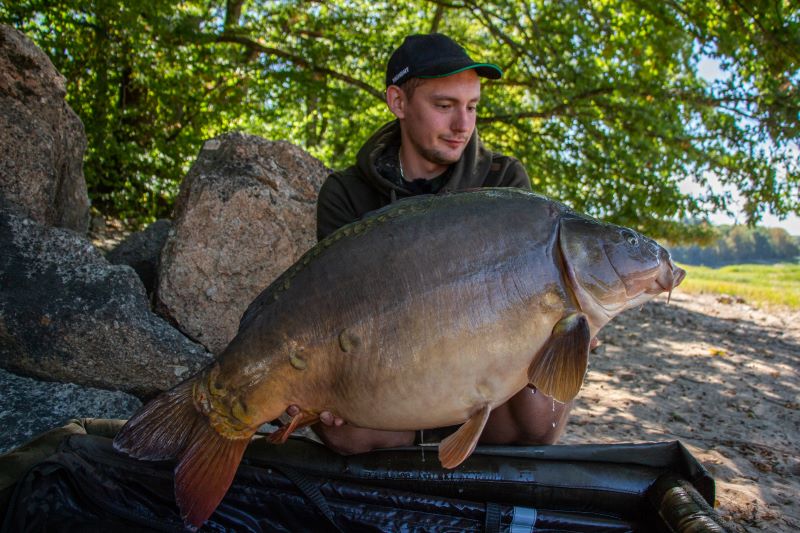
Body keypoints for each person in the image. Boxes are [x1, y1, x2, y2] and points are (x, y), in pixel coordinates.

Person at [290, 33, 572, 454]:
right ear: (398, 102)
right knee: (349, 432)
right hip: (392, 376)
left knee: (538, 420)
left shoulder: (504, 182)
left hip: (486, 377)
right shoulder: (346, 193)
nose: (463, 125)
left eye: (472, 107)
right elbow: (337, 313)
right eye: (444, 106)